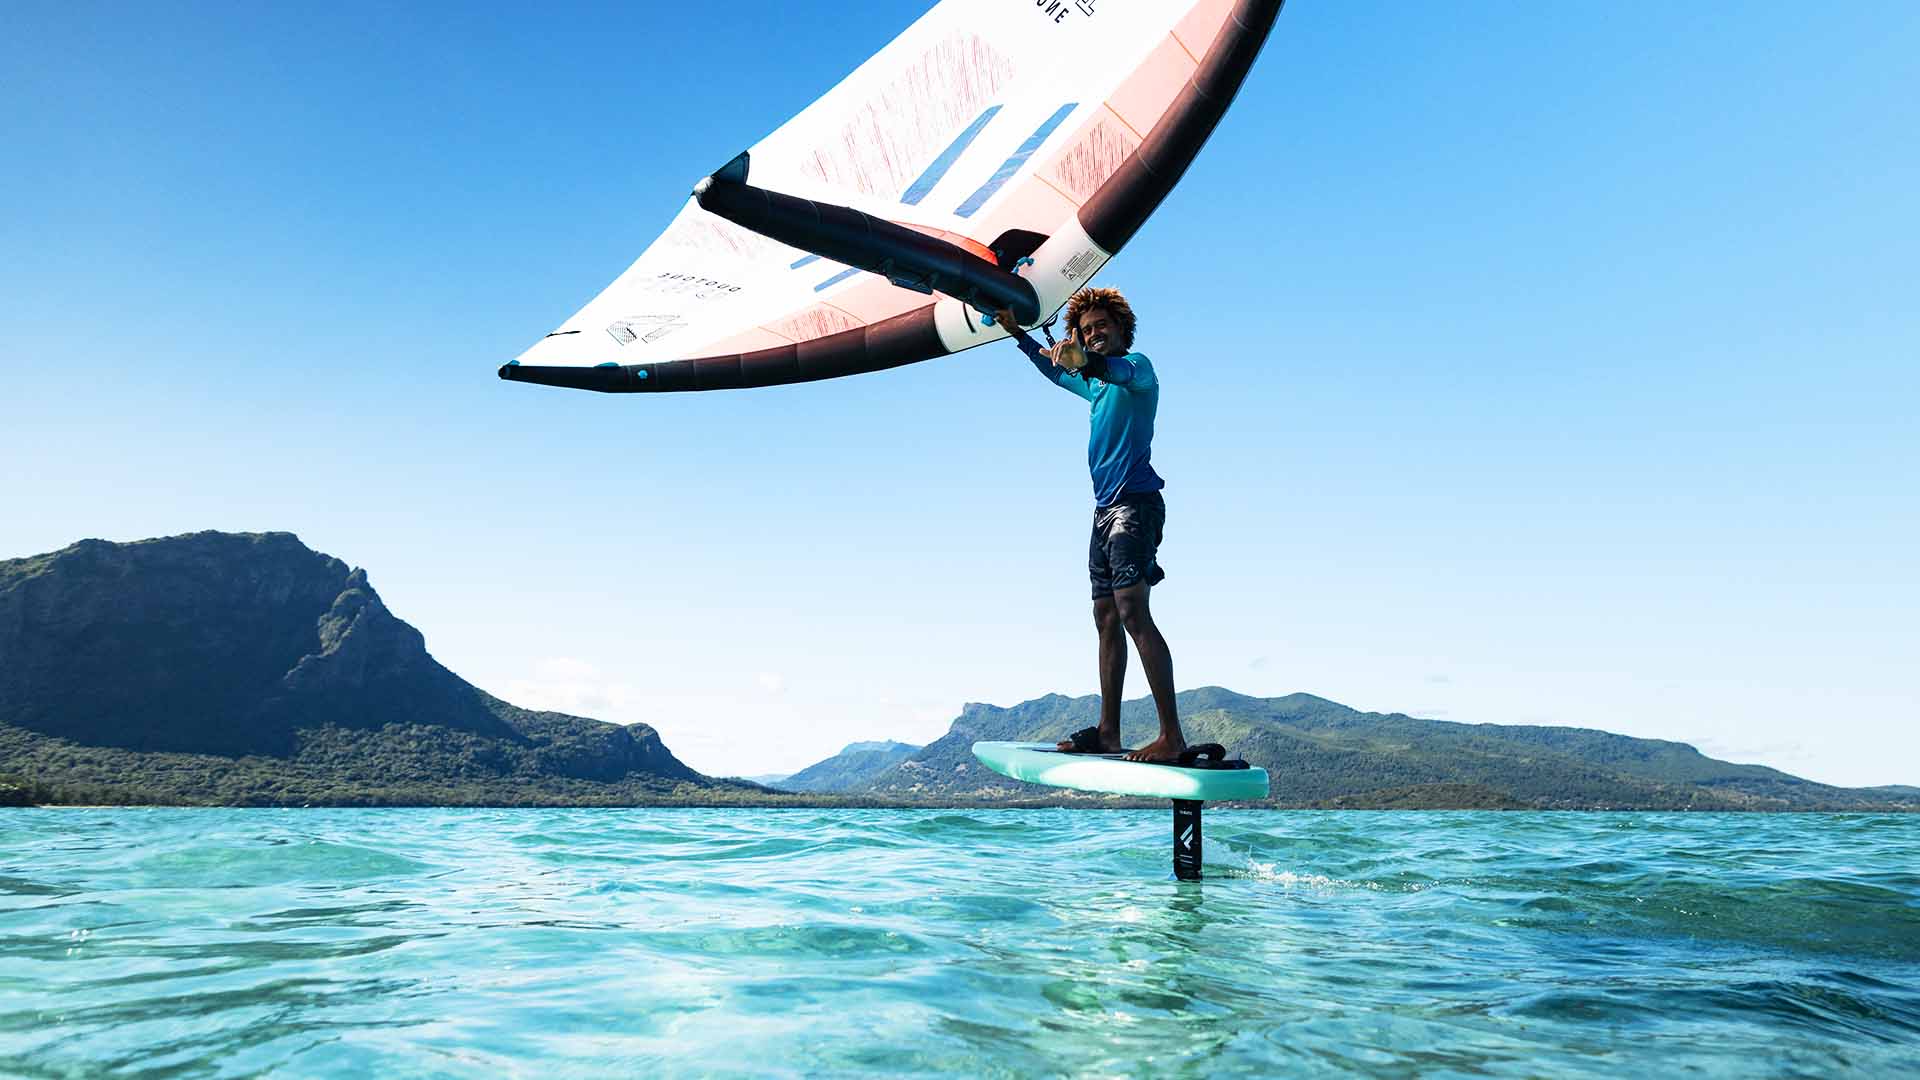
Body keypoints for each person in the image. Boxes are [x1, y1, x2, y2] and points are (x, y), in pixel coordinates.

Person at [995, 288, 1187, 763]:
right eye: (1085, 330)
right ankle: (1108, 731)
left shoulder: (1137, 369)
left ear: (1122, 328)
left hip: (1135, 506)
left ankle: (1171, 736)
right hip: (1103, 513)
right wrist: (1016, 332)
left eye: (1102, 326)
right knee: (1105, 618)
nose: (1094, 333)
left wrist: (1086, 361)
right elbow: (1054, 369)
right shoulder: (1092, 386)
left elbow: (1112, 369)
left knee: (1131, 611)